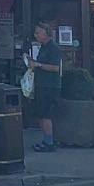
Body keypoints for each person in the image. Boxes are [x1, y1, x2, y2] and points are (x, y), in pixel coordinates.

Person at [25, 22, 63, 151]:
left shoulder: (53, 48)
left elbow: (55, 68)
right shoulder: (43, 47)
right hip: (41, 85)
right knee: (40, 114)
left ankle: (49, 142)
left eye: (38, 33)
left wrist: (39, 65)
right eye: (35, 33)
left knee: (46, 114)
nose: (35, 35)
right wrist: (32, 62)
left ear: (46, 33)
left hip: (50, 86)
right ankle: (46, 140)